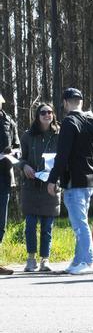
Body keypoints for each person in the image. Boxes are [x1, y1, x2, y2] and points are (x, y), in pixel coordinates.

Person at [47, 87, 93, 275]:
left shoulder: (69, 122)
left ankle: (88, 262)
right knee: (81, 221)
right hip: (89, 177)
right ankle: (78, 260)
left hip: (74, 179)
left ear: (65, 102)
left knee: (79, 223)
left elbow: (62, 155)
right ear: (81, 101)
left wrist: (52, 178)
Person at [18, 103, 61, 272]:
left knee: (47, 226)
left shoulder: (59, 134)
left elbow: (65, 157)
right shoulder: (28, 136)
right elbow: (20, 158)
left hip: (50, 185)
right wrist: (24, 167)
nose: (47, 115)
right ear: (37, 115)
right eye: (43, 112)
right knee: (30, 224)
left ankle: (45, 260)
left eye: (50, 112)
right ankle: (30, 259)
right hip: (31, 185)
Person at [0, 91, 20, 275]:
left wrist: (14, 152)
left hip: (4, 176)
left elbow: (17, 146)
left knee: (1, 223)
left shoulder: (9, 121)